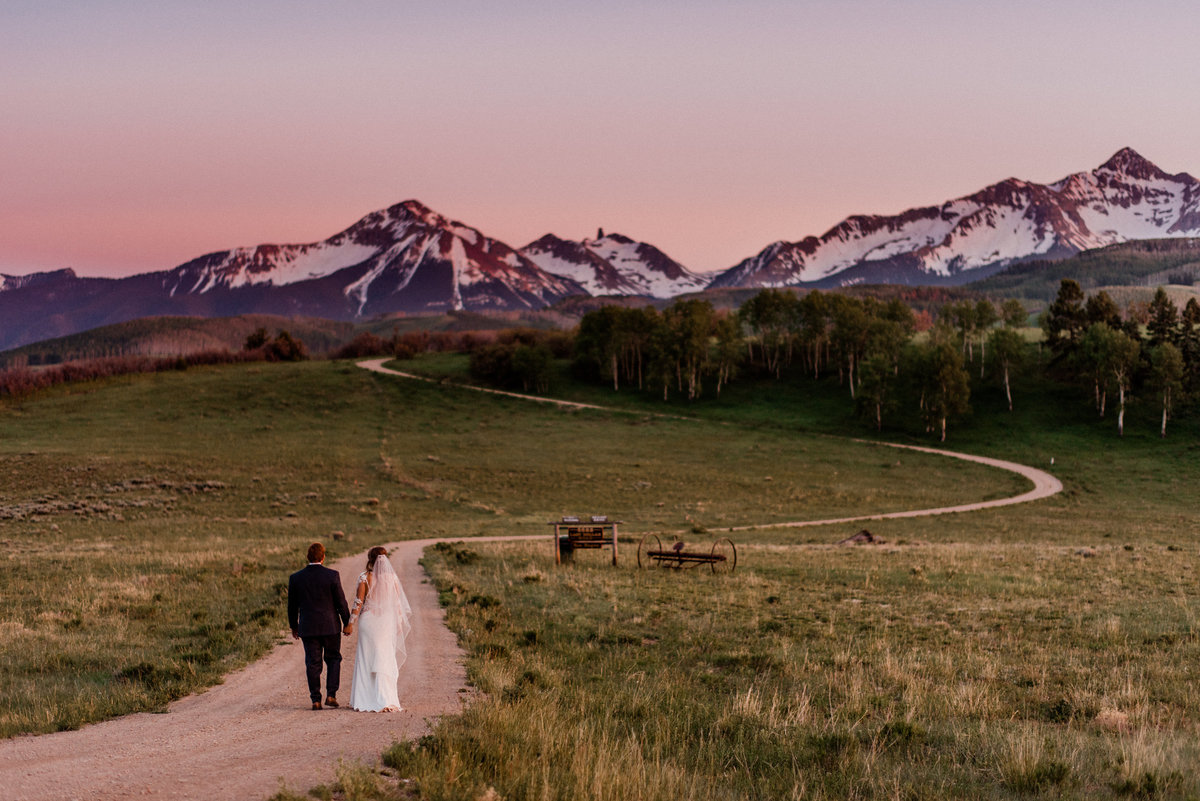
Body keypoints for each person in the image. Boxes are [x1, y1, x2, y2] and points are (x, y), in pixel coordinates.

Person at [344, 546, 412, 712]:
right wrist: (397, 625)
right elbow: (397, 605)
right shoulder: (392, 578)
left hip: (369, 622)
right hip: (385, 623)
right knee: (383, 657)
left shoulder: (364, 577)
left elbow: (358, 602)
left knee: (366, 658)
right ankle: (386, 698)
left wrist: (350, 622)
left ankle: (364, 697)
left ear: (370, 559)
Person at [287, 542, 351, 710]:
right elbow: (341, 602)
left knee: (312, 663)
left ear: (308, 557)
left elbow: (292, 606)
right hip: (330, 626)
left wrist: (294, 626)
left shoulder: (296, 578)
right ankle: (331, 695)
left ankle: (315, 699)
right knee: (334, 659)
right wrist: (347, 622)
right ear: (323, 557)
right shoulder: (332, 575)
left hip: (308, 627)